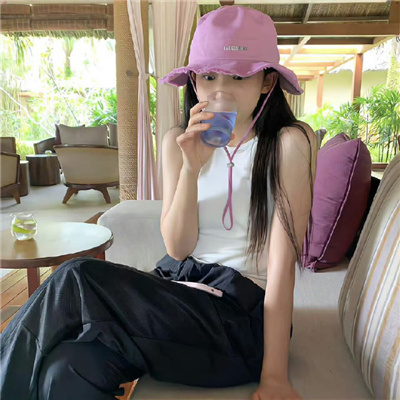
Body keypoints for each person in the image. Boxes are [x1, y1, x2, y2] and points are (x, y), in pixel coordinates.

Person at [0, 6, 317, 400]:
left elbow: (283, 268)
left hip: (238, 318)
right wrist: (191, 169)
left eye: (238, 76)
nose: (221, 90)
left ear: (267, 81)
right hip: (176, 292)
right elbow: (178, 248)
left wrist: (275, 377)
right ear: (194, 81)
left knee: (77, 275)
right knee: (66, 368)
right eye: (208, 76)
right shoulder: (176, 143)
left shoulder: (288, 143)